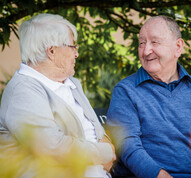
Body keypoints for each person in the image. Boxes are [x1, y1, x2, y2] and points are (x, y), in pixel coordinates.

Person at [107, 15, 191, 178]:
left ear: (178, 47)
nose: (146, 50)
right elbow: (127, 146)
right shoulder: (126, 91)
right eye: (141, 43)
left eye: (154, 42)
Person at [0, 13, 116, 177]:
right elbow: (51, 147)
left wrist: (106, 146)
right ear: (52, 51)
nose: (76, 54)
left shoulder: (71, 84)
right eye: (72, 47)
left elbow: (96, 129)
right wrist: (104, 152)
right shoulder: (23, 91)